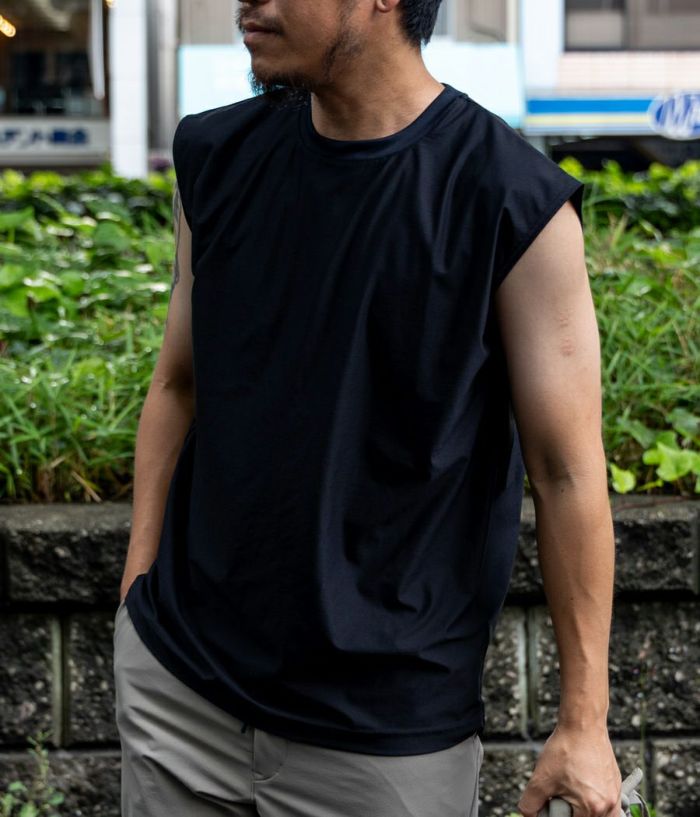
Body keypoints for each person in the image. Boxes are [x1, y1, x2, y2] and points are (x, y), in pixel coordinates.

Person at [113, 1, 624, 816]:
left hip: (385, 735)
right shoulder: (215, 154)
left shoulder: (510, 198)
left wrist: (584, 722)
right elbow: (178, 383)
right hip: (181, 696)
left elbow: (567, 472)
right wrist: (136, 591)